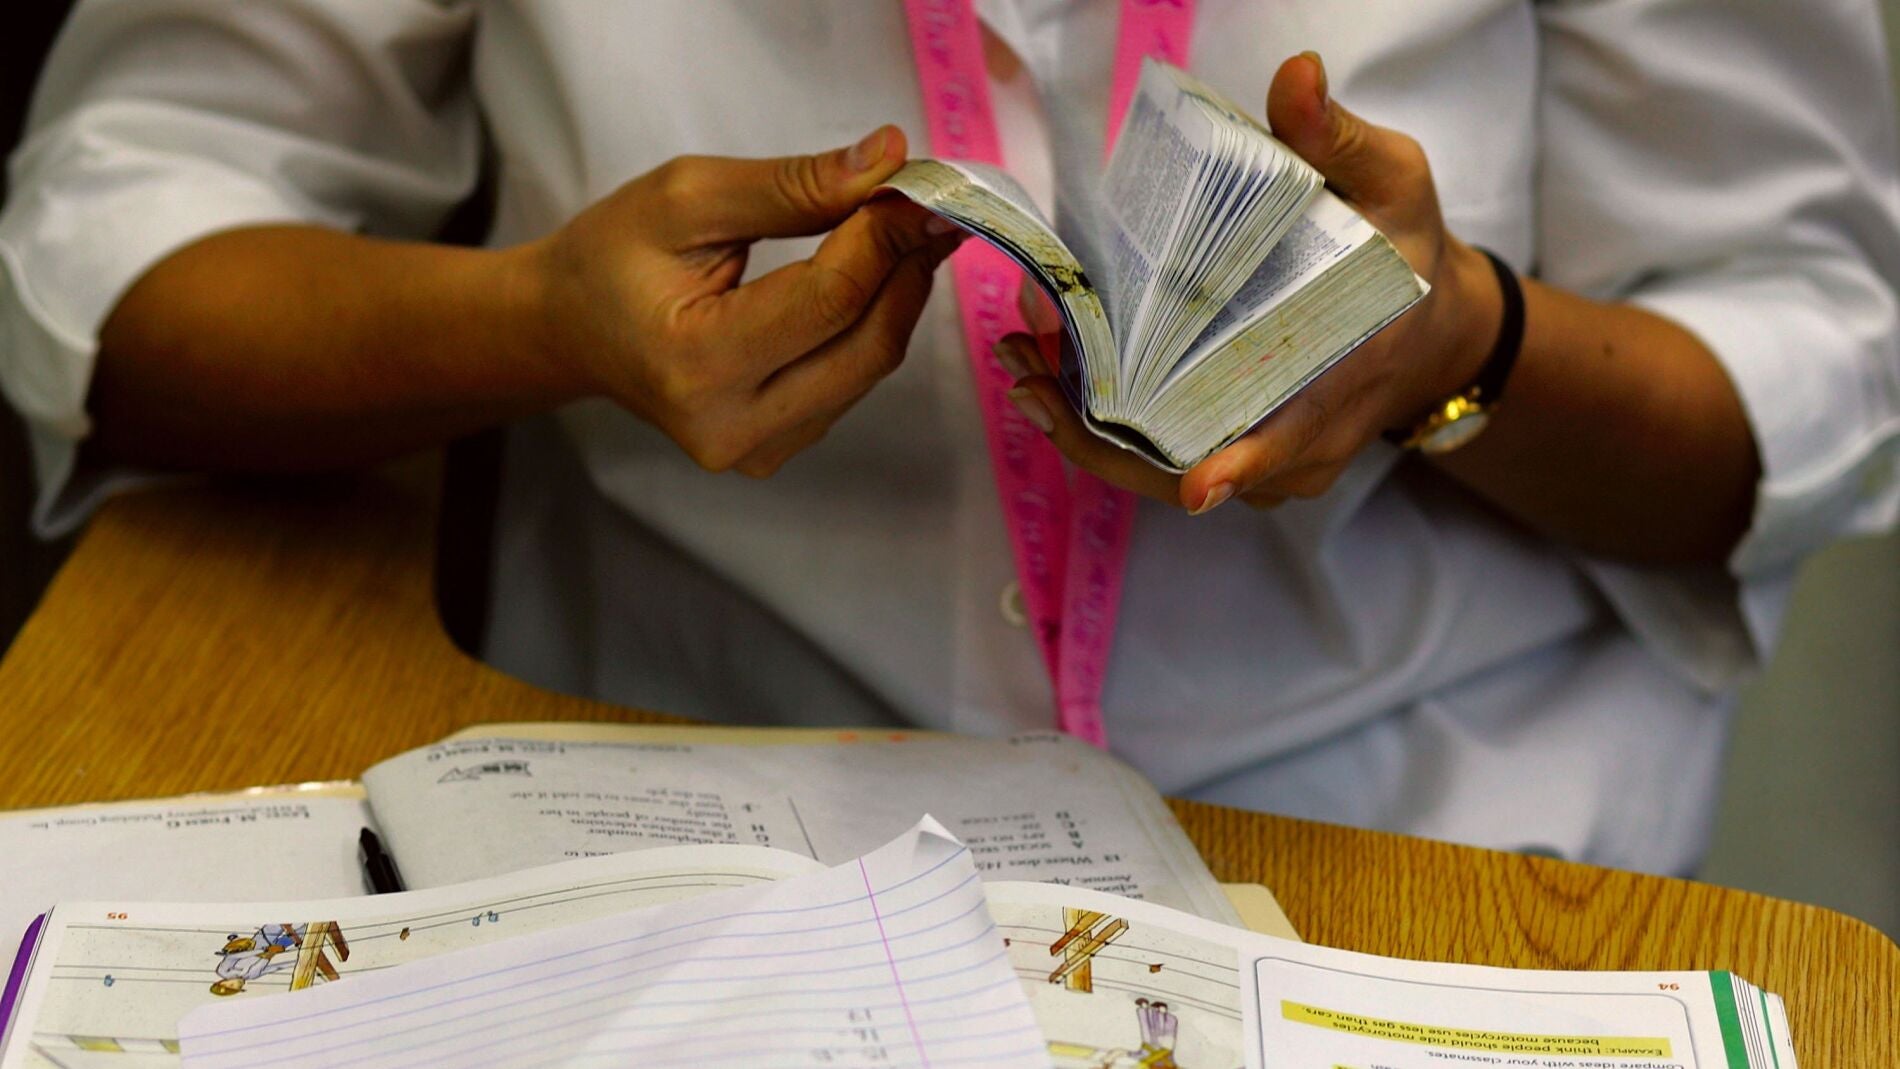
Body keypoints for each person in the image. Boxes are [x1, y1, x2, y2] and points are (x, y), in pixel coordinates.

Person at [2, 2, 1896, 877]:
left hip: (1422, 864)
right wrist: (535, 323)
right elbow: (118, 251)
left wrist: (1460, 351)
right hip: (674, 834)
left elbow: (1808, 355)